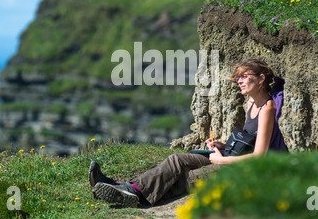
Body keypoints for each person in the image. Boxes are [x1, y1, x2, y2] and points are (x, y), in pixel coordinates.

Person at [89, 58, 287, 207]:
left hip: (241, 169)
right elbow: (249, 141)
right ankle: (125, 187)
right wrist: (223, 146)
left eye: (245, 76)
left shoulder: (267, 109)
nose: (239, 81)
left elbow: (259, 157)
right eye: (238, 78)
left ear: (261, 79)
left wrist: (221, 160)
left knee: (190, 177)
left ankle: (130, 196)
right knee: (176, 160)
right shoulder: (251, 102)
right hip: (229, 157)